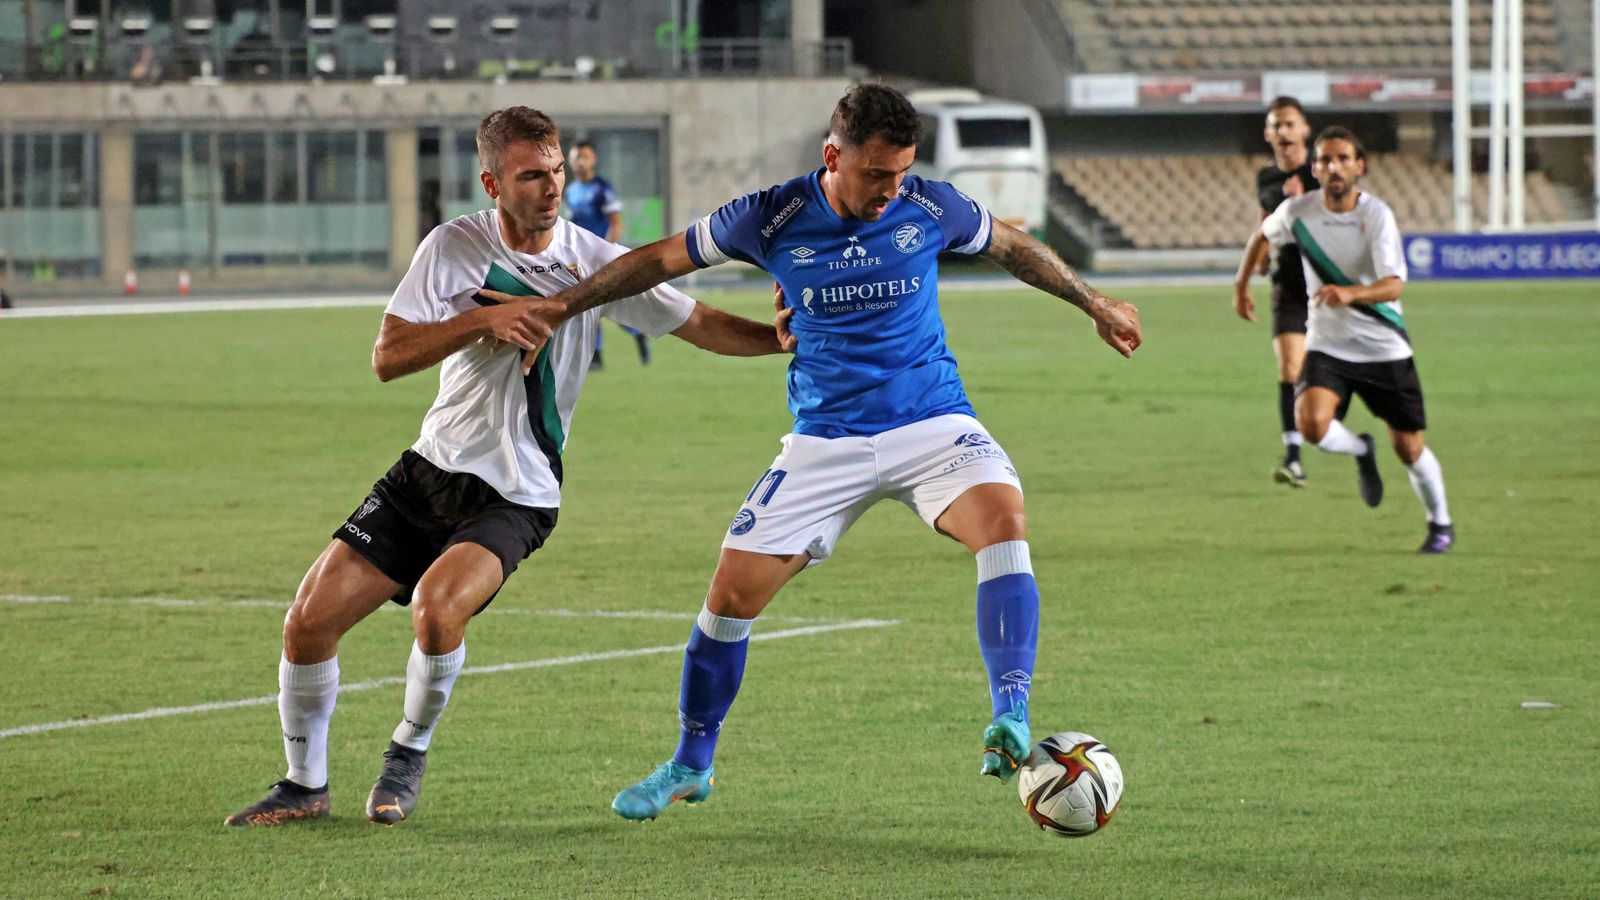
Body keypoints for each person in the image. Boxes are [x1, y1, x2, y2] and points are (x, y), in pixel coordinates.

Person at [516, 83, 1142, 821]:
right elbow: (659, 260)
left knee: (1003, 521)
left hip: (932, 422)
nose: (890, 190)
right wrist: (561, 306)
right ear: (832, 155)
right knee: (727, 601)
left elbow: (1011, 245)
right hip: (825, 440)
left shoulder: (931, 206)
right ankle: (690, 764)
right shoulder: (770, 215)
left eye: (901, 173)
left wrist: (1093, 300)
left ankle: (1011, 711)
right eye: (876, 174)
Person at [223, 107, 787, 828]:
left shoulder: (596, 265)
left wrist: (780, 342)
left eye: (555, 171)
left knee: (436, 609)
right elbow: (388, 357)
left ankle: (409, 747)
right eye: (531, 175)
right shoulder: (454, 246)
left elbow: (699, 322)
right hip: (429, 471)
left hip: (519, 491)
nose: (551, 187)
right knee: (306, 624)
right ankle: (306, 786)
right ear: (492, 181)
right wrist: (480, 320)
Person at [1235, 126, 1455, 554]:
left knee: (1410, 448)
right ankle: (1359, 448)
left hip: (1383, 348)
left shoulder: (1376, 216)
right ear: (1314, 168)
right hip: (1329, 346)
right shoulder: (1298, 211)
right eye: (1323, 160)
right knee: (1311, 424)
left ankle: (1440, 523)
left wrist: (1349, 293)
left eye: (1341, 159)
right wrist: (1241, 285)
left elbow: (1393, 286)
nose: (1332, 167)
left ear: (1360, 166)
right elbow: (1262, 234)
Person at [1234, 96, 1319, 487]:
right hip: (1288, 285)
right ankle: (1294, 456)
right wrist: (1252, 272)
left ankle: (1351, 442)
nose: (1283, 131)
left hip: (1328, 285)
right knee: (1288, 368)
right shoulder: (1267, 178)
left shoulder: (1325, 170)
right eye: (1276, 125)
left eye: (1289, 124)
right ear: (1268, 134)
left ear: (1304, 129)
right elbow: (1264, 225)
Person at [563, 140, 650, 367]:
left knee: (609, 304)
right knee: (587, 305)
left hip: (602, 256)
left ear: (593, 160)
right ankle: (596, 355)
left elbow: (616, 222)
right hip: (581, 258)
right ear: (570, 161)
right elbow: (573, 224)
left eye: (584, 156)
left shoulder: (603, 188)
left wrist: (607, 250)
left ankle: (636, 331)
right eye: (576, 157)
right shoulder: (570, 191)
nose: (580, 161)